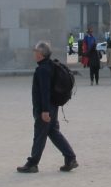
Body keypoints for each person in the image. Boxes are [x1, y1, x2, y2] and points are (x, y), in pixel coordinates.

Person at [17, 41, 78, 173]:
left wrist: (44, 111)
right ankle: (70, 158)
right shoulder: (50, 66)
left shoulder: (42, 69)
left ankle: (32, 163)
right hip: (53, 106)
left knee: (39, 134)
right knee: (53, 132)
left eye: (35, 52)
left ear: (40, 54)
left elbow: (45, 91)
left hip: (46, 108)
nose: (34, 54)